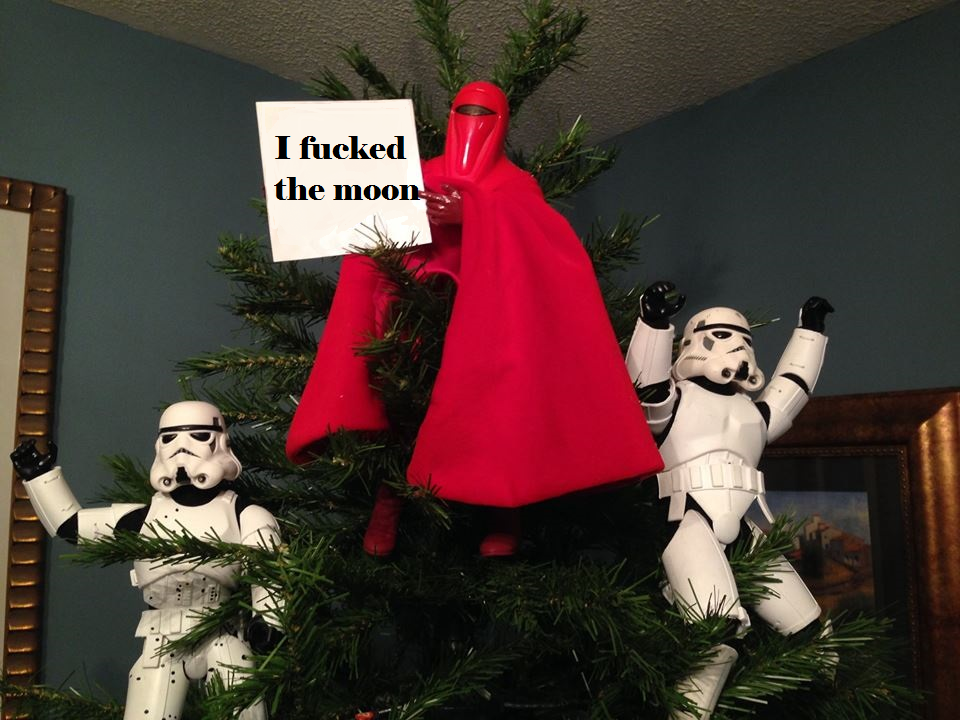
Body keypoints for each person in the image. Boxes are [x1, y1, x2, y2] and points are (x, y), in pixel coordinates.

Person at [287, 81, 663, 557]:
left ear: (501, 123)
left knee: (501, 416)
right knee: (401, 415)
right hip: (418, 316)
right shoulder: (422, 171)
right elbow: (366, 208)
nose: (472, 125)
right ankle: (388, 506)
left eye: (484, 115)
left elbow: (541, 237)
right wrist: (305, 201)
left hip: (489, 322)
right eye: (464, 113)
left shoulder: (514, 184)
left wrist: (477, 212)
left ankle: (504, 518)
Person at [10, 401, 281, 720]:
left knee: (242, 700)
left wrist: (270, 623)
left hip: (224, 634)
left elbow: (268, 574)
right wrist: (39, 477)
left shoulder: (246, 515)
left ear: (219, 441)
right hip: (161, 640)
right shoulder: (142, 517)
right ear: (159, 445)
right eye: (170, 438)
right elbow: (71, 526)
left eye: (197, 436)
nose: (182, 448)